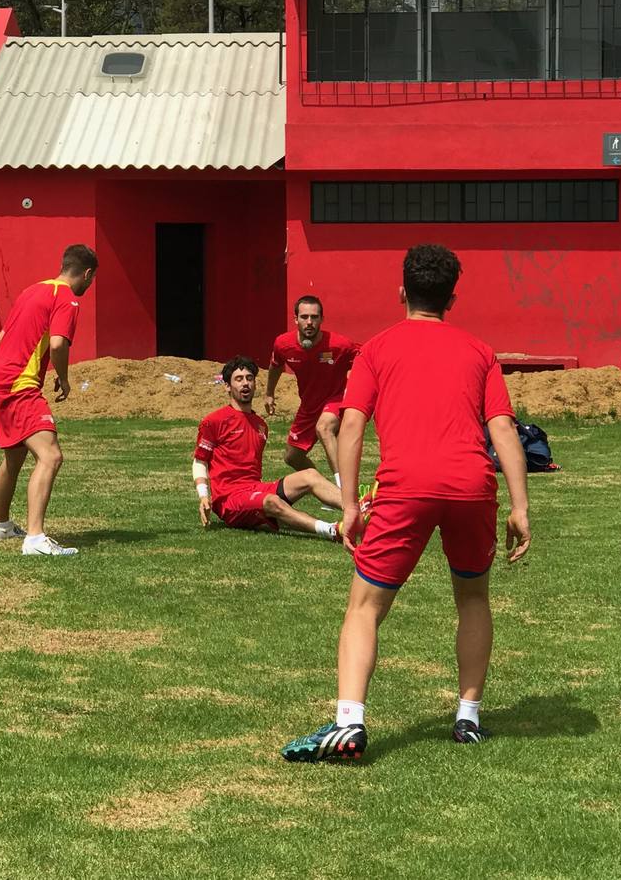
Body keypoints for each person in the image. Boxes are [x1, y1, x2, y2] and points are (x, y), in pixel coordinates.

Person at [281, 244, 531, 764]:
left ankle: (349, 723)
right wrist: (520, 505)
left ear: (402, 292)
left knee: (365, 608)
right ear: (452, 298)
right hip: (471, 487)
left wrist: (349, 504)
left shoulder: (376, 348)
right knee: (473, 599)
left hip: (405, 488)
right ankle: (468, 717)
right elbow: (503, 430)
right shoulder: (480, 351)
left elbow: (350, 425)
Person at [0, 245, 97, 556]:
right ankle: (34, 538)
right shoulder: (67, 298)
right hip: (18, 384)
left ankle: (2, 525)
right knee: (51, 456)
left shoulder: (31, 291)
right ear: (87, 274)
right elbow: (58, 344)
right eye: (91, 279)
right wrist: (64, 376)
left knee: (15, 456)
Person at [194, 356, 346, 542]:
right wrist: (203, 496)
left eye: (249, 378)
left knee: (310, 475)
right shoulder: (214, 421)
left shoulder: (260, 425)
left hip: (255, 489)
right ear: (227, 386)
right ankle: (332, 530)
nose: (245, 383)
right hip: (229, 499)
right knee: (272, 501)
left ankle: (361, 510)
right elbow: (200, 460)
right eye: (239, 379)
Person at [264, 296, 360, 486]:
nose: (309, 322)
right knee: (292, 456)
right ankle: (327, 490)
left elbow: (364, 356)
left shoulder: (338, 344)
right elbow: (275, 366)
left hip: (336, 398)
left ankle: (345, 492)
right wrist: (269, 393)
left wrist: (354, 379)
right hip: (309, 405)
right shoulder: (283, 344)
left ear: (322, 319)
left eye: (314, 317)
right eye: (304, 317)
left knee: (323, 428)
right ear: (295, 319)